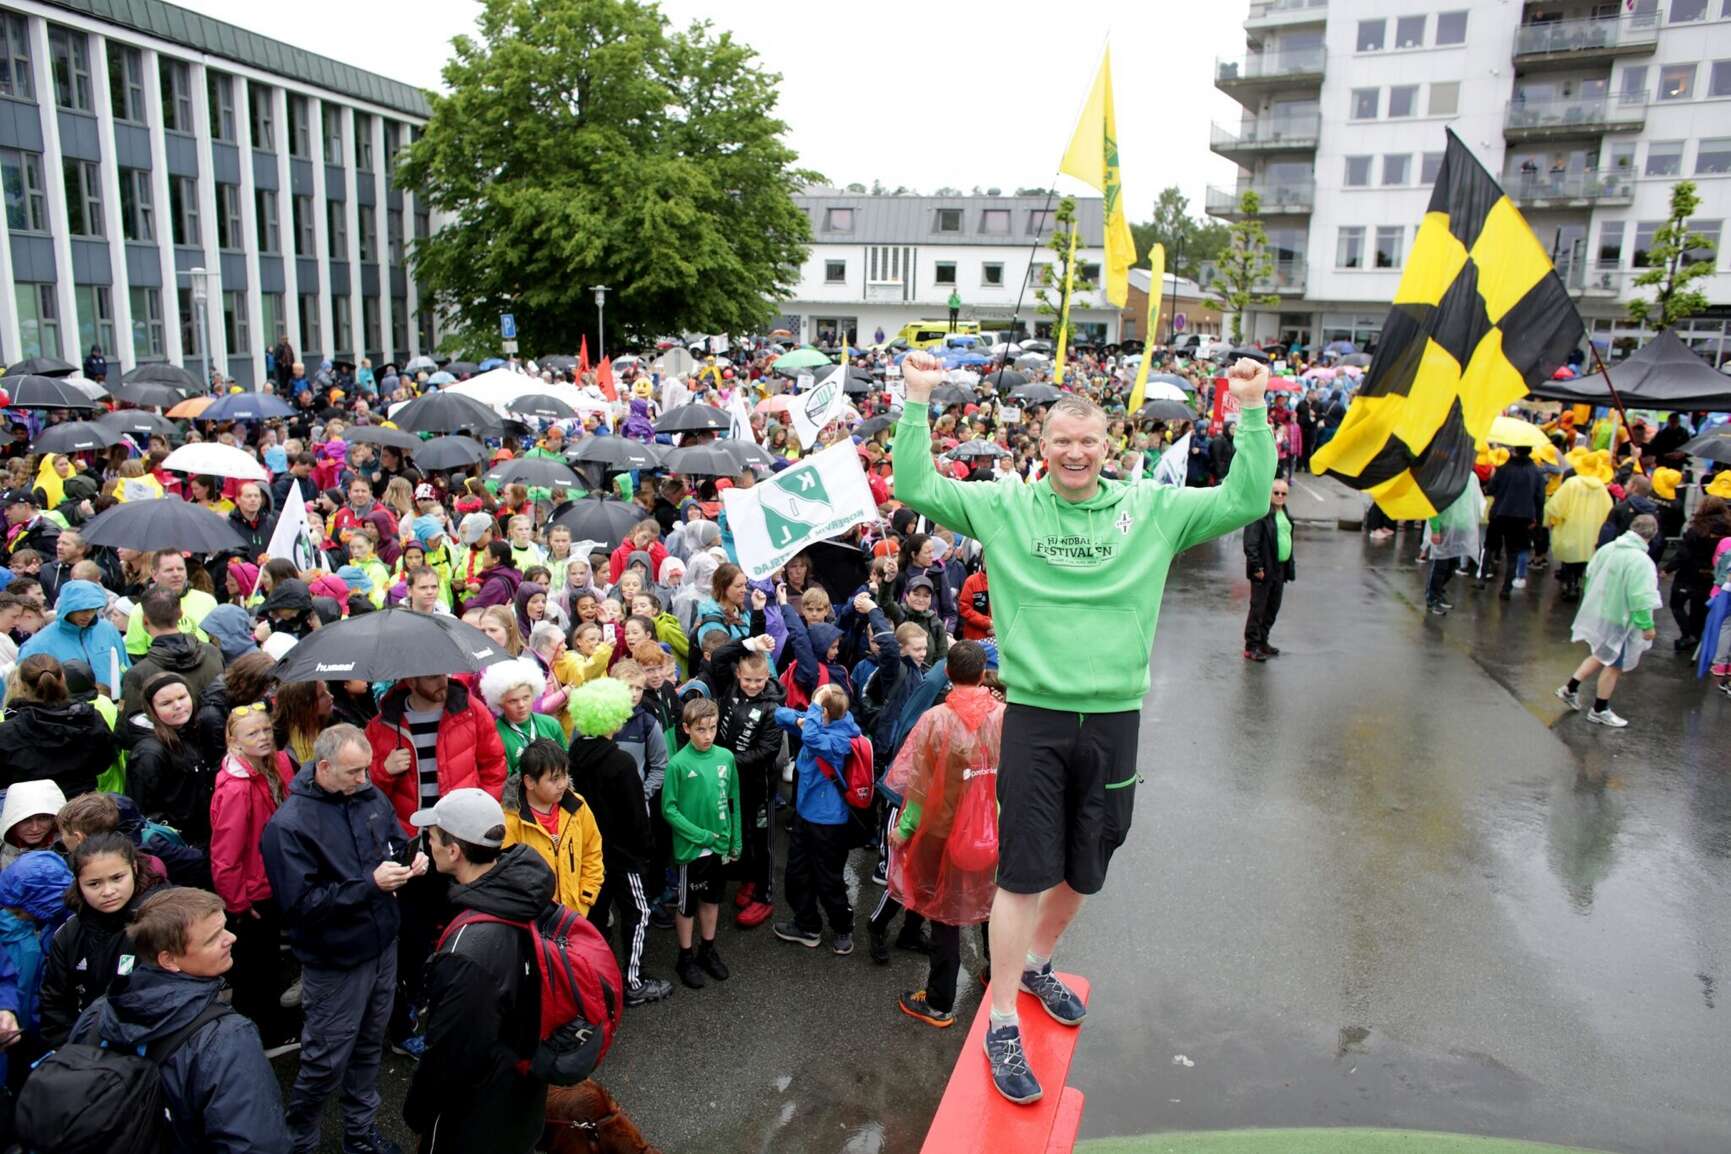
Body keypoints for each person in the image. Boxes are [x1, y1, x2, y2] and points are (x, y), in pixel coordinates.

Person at [892, 349, 1273, 1105]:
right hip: (1034, 713)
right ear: (1042, 445)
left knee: (1092, 859)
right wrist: (914, 399)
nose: (1075, 453)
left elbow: (1247, 496)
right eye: (1061, 441)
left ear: (1108, 445)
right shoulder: (1005, 506)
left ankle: (1036, 963)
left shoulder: (1152, 510)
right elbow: (915, 487)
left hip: (1114, 715)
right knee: (1022, 870)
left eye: (1088, 441)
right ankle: (1002, 1017)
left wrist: (1253, 408)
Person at [262, 723, 423, 1154]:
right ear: (324, 767)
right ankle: (300, 1141)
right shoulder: (289, 826)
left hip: (382, 945)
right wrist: (371, 884)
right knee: (325, 1060)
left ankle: (360, 1133)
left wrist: (410, 860)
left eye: (366, 769)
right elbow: (300, 907)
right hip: (335, 960)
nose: (364, 779)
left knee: (369, 1045)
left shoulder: (368, 794)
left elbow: (393, 841)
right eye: (354, 771)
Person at [68, 887, 293, 1153]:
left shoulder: (99, 1011)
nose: (231, 937)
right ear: (169, 960)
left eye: (225, 927)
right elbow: (257, 1144)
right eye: (213, 938)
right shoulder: (227, 1037)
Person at [405, 789, 556, 1154]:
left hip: (475, 1121)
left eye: (433, 836)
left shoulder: (467, 953)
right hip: (524, 1097)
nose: (428, 843)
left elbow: (450, 1056)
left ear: (454, 851)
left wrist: (417, 1112)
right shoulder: (524, 893)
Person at [881, 641, 1003, 1028]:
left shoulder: (934, 720)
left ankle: (938, 1002)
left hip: (942, 833)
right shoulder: (1004, 715)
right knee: (992, 904)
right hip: (991, 831)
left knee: (944, 915)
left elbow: (918, 786)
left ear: (947, 673)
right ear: (982, 675)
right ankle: (996, 975)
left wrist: (904, 829)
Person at [568, 678, 673, 1007]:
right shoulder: (621, 763)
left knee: (596, 918)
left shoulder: (574, 755)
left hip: (589, 855)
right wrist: (645, 851)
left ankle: (597, 979)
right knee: (639, 914)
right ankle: (633, 982)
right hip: (625, 856)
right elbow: (636, 816)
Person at [209, 701, 296, 1042]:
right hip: (254, 891)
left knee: (269, 959)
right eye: (252, 733)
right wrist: (238, 903)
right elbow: (225, 854)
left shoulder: (277, 763)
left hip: (275, 879)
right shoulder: (236, 787)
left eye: (266, 730)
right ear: (234, 741)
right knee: (255, 965)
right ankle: (262, 1030)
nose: (263, 737)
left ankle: (271, 1021)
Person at [37, 832, 163, 1047]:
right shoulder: (69, 934)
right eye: (94, 884)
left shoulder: (160, 925)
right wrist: (70, 1050)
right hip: (81, 1052)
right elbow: (54, 1003)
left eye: (117, 878)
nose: (108, 891)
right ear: (78, 882)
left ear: (134, 868)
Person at [771, 684, 863, 956]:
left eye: (814, 706)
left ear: (823, 712)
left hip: (829, 822)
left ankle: (843, 927)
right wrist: (803, 717)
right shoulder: (818, 722)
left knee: (828, 880)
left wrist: (811, 714)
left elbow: (811, 738)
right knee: (797, 873)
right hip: (805, 815)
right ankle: (807, 925)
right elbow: (780, 715)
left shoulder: (840, 739)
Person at [1555, 514, 1664, 729]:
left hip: (1603, 612)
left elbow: (1591, 574)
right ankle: (1599, 709)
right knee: (1614, 665)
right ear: (1653, 535)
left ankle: (1570, 689)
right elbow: (1640, 596)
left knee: (1602, 653)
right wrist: (1647, 625)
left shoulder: (1609, 548)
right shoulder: (1641, 561)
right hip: (1622, 618)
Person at [661, 697, 740, 989]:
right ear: (687, 728)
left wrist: (735, 840)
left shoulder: (726, 757)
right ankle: (685, 957)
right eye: (700, 729)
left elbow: (733, 800)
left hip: (720, 847)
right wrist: (702, 836)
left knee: (712, 899)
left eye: (712, 728)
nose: (708, 735)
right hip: (691, 851)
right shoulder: (677, 764)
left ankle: (708, 949)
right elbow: (669, 809)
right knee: (687, 906)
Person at [503, 738, 604, 917]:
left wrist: (586, 897)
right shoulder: (511, 821)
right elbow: (507, 876)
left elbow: (592, 852)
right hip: (534, 919)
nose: (562, 784)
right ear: (530, 782)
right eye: (554, 779)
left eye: (565, 775)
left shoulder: (577, 806)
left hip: (574, 914)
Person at [0, 654, 115, 795]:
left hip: (32, 804)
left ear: (22, 686)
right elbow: (105, 760)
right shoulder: (90, 719)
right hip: (82, 800)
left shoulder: (7, 733)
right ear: (63, 679)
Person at [126, 673, 218, 845]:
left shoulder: (190, 729)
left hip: (203, 833)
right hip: (180, 843)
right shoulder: (149, 753)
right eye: (166, 703)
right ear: (152, 710)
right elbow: (143, 812)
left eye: (182, 697)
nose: (178, 706)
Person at [121, 585, 225, 715]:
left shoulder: (138, 674)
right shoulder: (213, 653)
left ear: (145, 621)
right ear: (181, 614)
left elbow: (131, 721)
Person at [17, 579, 129, 698]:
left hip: (112, 705)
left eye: (93, 609)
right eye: (82, 610)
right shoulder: (37, 645)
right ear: (67, 607)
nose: (88, 615)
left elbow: (125, 668)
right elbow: (24, 689)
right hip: (65, 708)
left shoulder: (108, 630)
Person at [1545, 449, 1615, 602]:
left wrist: (1553, 520)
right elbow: (1609, 511)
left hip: (1570, 526)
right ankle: (1576, 582)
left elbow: (1556, 506)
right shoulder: (1601, 487)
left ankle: (1569, 584)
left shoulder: (1572, 483)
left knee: (1569, 556)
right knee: (1583, 557)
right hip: (1592, 530)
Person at [122, 550, 219, 658]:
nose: (176, 574)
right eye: (169, 570)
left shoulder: (208, 601)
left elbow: (217, 646)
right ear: (154, 574)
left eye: (180, 569)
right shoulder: (141, 610)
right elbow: (135, 657)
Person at [1481, 446, 1547, 599]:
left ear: (1516, 450)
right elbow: (1540, 499)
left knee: (1490, 546)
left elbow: (1491, 488)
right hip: (1523, 517)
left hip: (1499, 513)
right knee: (1513, 553)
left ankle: (1482, 577)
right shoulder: (1536, 473)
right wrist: (1538, 522)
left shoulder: (1504, 469)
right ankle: (1506, 588)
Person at [1242, 478, 1295, 660]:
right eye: (1276, 492)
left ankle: (1263, 641)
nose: (1280, 496)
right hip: (1264, 568)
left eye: (1283, 493)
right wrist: (1257, 567)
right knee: (1258, 608)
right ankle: (1251, 646)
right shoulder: (1261, 513)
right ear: (1269, 493)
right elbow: (1250, 543)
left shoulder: (1284, 512)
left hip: (1280, 567)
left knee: (1273, 607)